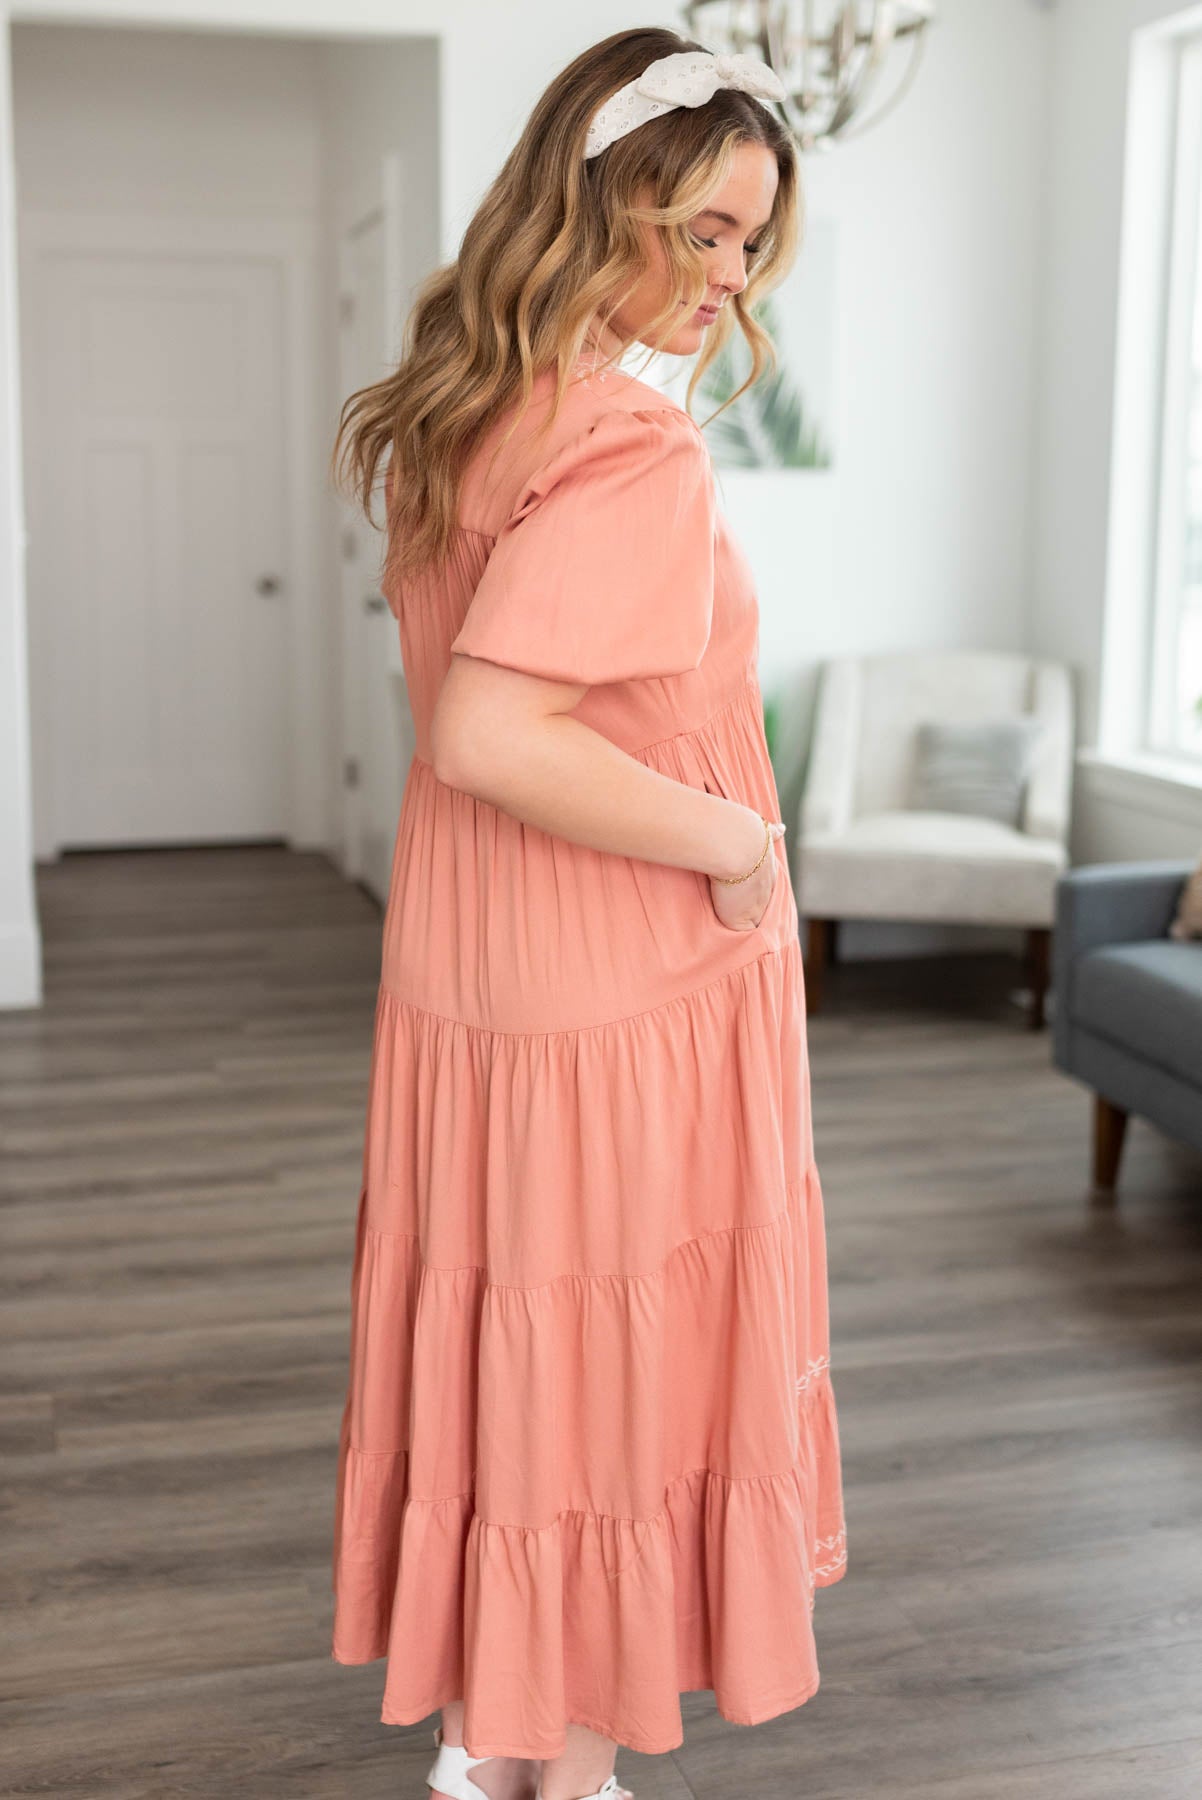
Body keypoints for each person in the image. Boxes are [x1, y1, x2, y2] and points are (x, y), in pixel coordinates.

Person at [327, 25, 847, 1800]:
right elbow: (490, 731)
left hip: (480, 971)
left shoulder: (470, 402)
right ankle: (554, 1762)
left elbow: (456, 715)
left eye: (748, 244)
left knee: (513, 1330)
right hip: (616, 972)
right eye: (695, 227)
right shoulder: (630, 448)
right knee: (607, 1353)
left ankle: (506, 1741)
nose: (724, 276)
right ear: (601, 195)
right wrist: (736, 849)